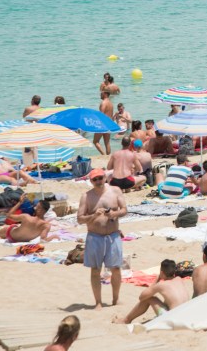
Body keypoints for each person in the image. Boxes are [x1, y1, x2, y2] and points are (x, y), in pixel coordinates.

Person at [78, 168, 127, 309]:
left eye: (100, 178)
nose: (98, 181)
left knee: (116, 268)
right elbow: (80, 219)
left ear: (105, 177)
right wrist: (93, 216)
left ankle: (115, 299)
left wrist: (114, 214)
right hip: (94, 236)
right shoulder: (86, 196)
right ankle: (98, 302)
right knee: (95, 269)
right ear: (91, 181)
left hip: (113, 235)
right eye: (95, 179)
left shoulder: (115, 191)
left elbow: (124, 209)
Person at [113, 259, 189, 324]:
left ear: (162, 272)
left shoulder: (161, 285)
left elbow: (142, 297)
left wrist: (157, 280)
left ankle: (126, 320)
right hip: (186, 315)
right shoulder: (179, 279)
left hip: (172, 319)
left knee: (149, 298)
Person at [93, 91, 114, 155]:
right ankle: (108, 156)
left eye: (101, 93)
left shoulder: (104, 102)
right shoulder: (110, 103)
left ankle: (104, 155)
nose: (100, 94)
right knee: (107, 142)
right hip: (109, 123)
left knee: (95, 141)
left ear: (105, 94)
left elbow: (101, 115)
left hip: (102, 124)